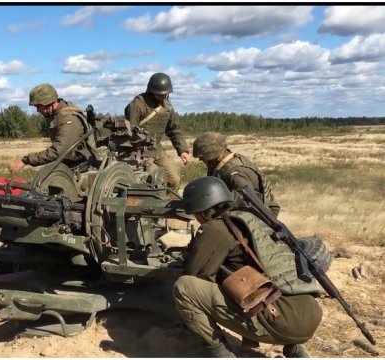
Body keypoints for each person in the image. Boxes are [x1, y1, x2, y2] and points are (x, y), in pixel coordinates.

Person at [173, 177, 322, 358]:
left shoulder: (216, 228)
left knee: (185, 287)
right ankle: (294, 349)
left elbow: (196, 274)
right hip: (308, 313)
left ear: (203, 212)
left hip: (281, 320)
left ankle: (220, 354)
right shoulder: (250, 218)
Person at [124, 72, 191, 193]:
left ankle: (165, 205)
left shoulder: (167, 107)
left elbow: (174, 129)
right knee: (156, 181)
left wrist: (183, 150)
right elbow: (129, 131)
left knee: (174, 180)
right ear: (151, 91)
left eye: (165, 94)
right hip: (139, 153)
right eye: (160, 94)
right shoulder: (138, 104)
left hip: (157, 150)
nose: (163, 96)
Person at [9, 83, 95, 172]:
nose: (37, 110)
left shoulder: (68, 119)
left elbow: (58, 151)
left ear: (48, 103)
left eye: (39, 106)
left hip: (82, 167)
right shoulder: (57, 115)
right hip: (70, 164)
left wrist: (26, 160)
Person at [192, 131, 281, 215]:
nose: (201, 160)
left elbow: (246, 198)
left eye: (203, 157)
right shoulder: (218, 164)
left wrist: (216, 201)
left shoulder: (235, 172)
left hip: (261, 213)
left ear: (213, 154)